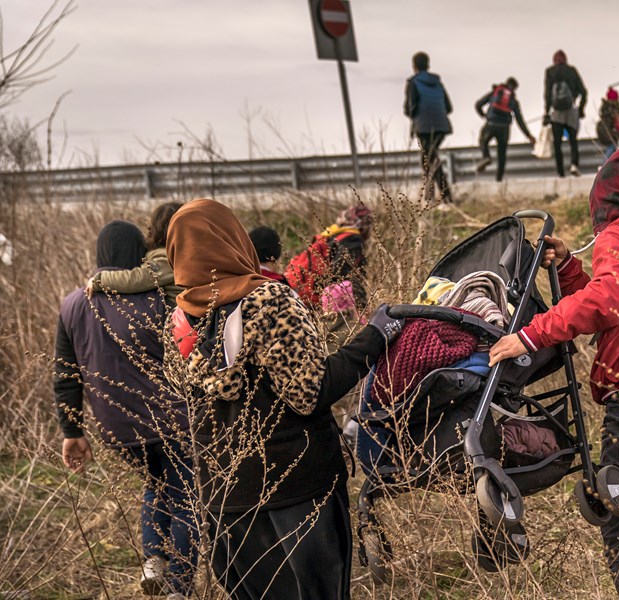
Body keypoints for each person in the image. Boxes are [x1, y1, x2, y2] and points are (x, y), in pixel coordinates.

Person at [488, 147, 619, 600]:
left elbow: (606, 302)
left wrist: (529, 336)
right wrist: (566, 265)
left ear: (600, 201)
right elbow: (617, 301)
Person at [165, 199, 402, 600]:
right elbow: (309, 392)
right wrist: (373, 339)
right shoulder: (271, 300)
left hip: (226, 497)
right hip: (298, 485)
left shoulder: (180, 321)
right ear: (233, 239)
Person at [55, 220, 197, 599]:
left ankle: (153, 561)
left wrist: (72, 433)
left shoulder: (72, 304)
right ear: (139, 254)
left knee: (156, 485)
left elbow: (66, 376)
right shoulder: (158, 298)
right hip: (171, 418)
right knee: (185, 494)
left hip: (118, 428)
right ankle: (179, 588)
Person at [88, 202, 183, 305]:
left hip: (172, 314)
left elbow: (137, 278)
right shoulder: (180, 256)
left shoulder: (168, 258)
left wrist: (100, 280)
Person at [404, 51, 453, 203]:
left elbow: (409, 108)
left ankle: (445, 197)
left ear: (414, 66)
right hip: (442, 126)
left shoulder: (413, 82)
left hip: (424, 127)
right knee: (429, 158)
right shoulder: (438, 83)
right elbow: (449, 107)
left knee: (429, 159)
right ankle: (431, 197)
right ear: (428, 65)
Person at [475, 77, 537, 181]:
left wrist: (484, 115)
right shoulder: (513, 100)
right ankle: (499, 180)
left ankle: (486, 156)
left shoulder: (495, 92)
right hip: (504, 128)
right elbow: (519, 120)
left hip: (491, 124)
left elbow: (478, 104)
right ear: (515, 88)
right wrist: (528, 135)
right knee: (502, 153)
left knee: (483, 141)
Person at [543, 49, 588, 177]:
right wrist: (581, 109)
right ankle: (574, 165)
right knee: (573, 140)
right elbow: (584, 91)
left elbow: (547, 94)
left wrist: (546, 112)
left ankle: (560, 172)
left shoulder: (550, 72)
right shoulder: (571, 70)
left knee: (557, 143)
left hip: (556, 113)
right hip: (571, 111)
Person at [596, 88, 619, 160]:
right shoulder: (611, 109)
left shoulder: (609, 108)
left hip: (609, 134)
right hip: (608, 135)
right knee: (613, 146)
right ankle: (606, 162)